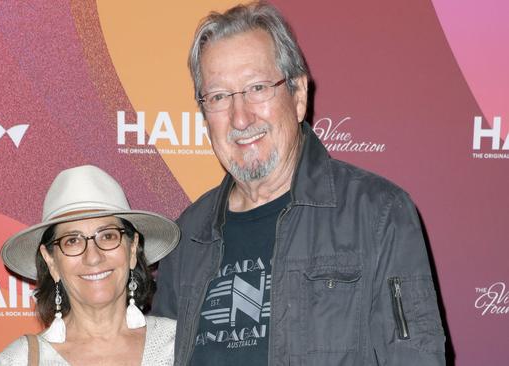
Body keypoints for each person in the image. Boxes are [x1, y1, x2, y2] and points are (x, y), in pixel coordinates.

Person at [152, 2, 446, 365]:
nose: (240, 117)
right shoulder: (187, 236)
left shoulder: (378, 215)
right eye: (218, 97)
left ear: (299, 96)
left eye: (257, 87)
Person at [0, 165, 179, 365]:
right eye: (72, 241)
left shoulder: (180, 343)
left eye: (108, 236)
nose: (93, 257)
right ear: (51, 261)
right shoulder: (19, 360)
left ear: (132, 249)